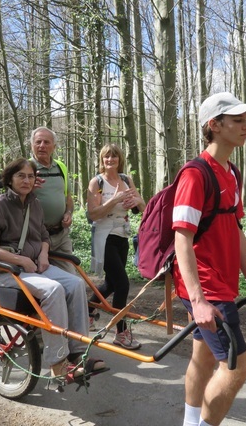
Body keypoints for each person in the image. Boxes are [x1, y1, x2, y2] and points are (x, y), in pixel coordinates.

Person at [173, 92, 246, 426]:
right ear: (214, 125)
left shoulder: (233, 172)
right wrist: (198, 300)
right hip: (204, 285)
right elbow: (181, 237)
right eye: (238, 120)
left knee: (202, 359)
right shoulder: (195, 174)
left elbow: (235, 229)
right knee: (236, 367)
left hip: (222, 283)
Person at [0, 158, 106, 381]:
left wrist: (44, 253)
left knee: (75, 284)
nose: (26, 180)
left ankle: (78, 353)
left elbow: (43, 235)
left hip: (33, 267)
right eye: (21, 176)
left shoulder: (34, 203)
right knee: (54, 289)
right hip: (4, 271)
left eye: (30, 176)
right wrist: (19, 260)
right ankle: (58, 364)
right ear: (9, 179)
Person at [86, 143, 146, 350]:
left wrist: (136, 201)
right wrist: (115, 200)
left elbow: (141, 206)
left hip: (122, 235)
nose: (110, 160)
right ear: (101, 160)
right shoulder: (97, 182)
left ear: (119, 159)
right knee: (122, 284)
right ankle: (121, 332)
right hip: (104, 236)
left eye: (113, 157)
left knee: (111, 283)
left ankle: (87, 312)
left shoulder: (126, 179)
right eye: (106, 157)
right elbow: (93, 214)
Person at [29, 126, 76, 274]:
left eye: (46, 142)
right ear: (32, 145)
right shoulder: (25, 169)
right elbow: (11, 201)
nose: (42, 146)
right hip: (35, 237)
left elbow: (68, 198)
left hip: (60, 235)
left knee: (71, 277)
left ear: (54, 147)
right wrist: (28, 189)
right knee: (40, 279)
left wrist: (68, 213)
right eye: (38, 142)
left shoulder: (61, 167)